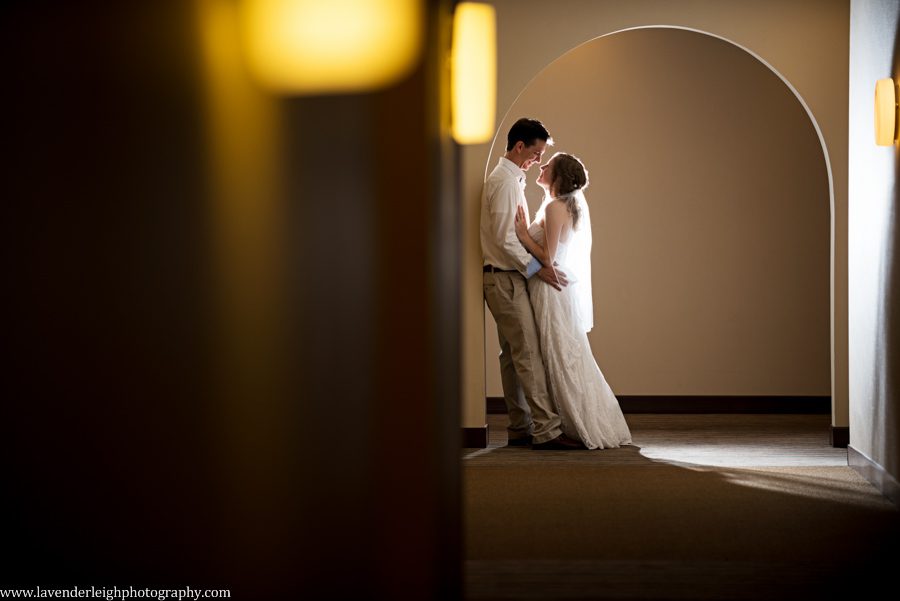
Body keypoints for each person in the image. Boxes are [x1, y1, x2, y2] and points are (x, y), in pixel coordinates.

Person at [514, 152, 632, 449]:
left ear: (557, 177)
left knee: (558, 354)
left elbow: (548, 258)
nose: (542, 167)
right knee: (562, 352)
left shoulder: (555, 207)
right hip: (551, 288)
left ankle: (571, 424)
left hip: (550, 290)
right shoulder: (559, 205)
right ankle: (560, 422)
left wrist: (523, 235)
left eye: (548, 165)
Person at [481, 118, 584, 450]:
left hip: (505, 278)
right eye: (536, 153)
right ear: (519, 146)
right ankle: (547, 431)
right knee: (527, 353)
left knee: (513, 356)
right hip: (505, 278)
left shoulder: (512, 180)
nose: (539, 161)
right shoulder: (505, 182)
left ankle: (520, 427)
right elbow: (504, 239)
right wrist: (538, 269)